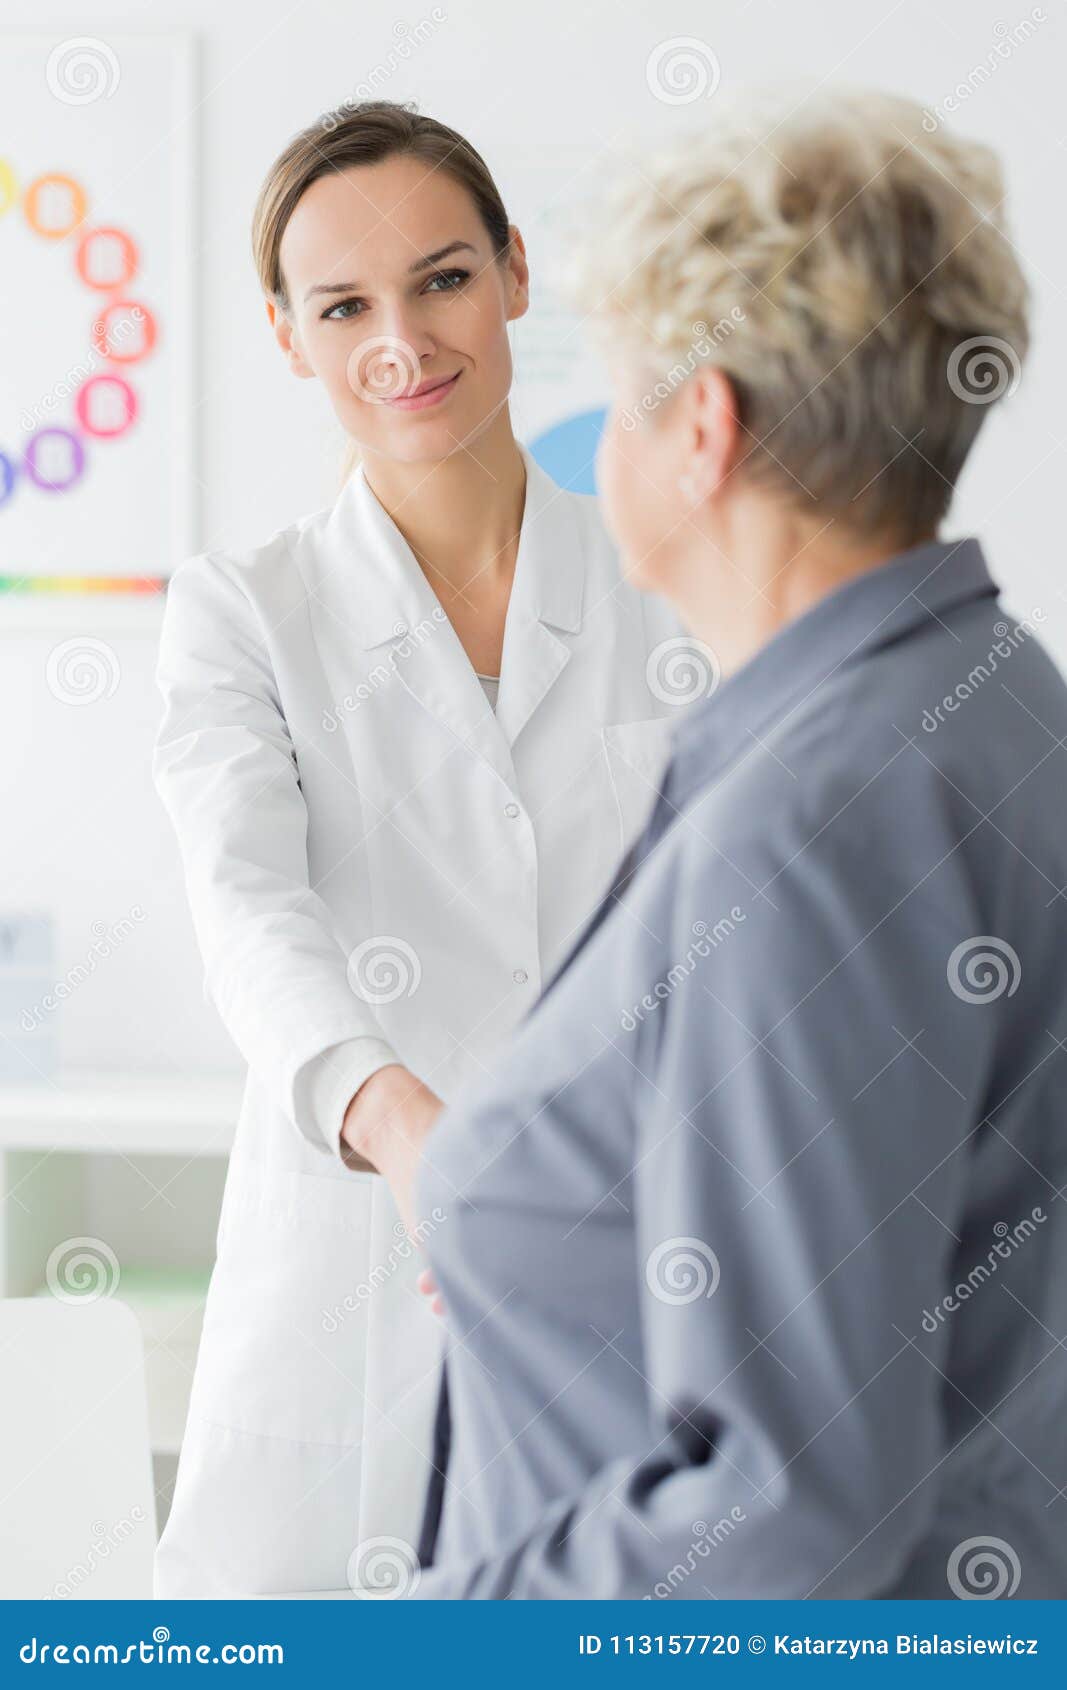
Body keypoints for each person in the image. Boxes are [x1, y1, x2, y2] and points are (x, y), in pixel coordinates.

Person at [391, 89, 1067, 1599]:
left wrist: (431, 1635)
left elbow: (785, 1508)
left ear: (703, 429)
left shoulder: (818, 816)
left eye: (620, 395)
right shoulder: (994, 707)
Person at [151, 100, 684, 1597]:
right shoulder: (243, 610)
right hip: (348, 1281)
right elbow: (245, 902)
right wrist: (396, 1118)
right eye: (345, 306)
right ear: (288, 335)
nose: (404, 338)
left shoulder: (675, 585)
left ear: (516, 272)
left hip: (628, 1262)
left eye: (443, 277)